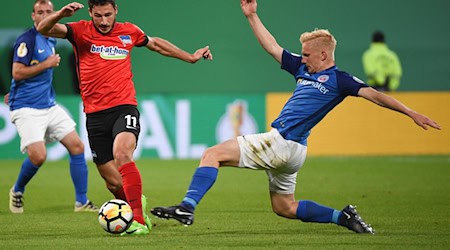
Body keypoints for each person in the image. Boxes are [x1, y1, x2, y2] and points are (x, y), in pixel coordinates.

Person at [150, 0, 440, 234]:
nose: (301, 59)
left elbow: (375, 95)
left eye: (307, 55)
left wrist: (410, 112)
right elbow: (272, 47)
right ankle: (343, 217)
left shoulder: (340, 80)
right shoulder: (304, 70)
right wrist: (252, 16)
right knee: (284, 207)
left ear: (324, 55)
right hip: (295, 151)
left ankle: (187, 207)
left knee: (212, 154)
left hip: (283, 142)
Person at [37, 0, 212, 236]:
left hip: (124, 107)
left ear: (116, 11)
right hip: (95, 114)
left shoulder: (129, 31)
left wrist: (190, 57)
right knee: (113, 182)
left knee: (122, 154)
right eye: (98, 16)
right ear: (90, 13)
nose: (104, 21)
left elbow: (156, 44)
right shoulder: (79, 30)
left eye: (108, 15)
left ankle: (138, 220)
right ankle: (135, 200)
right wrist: (59, 14)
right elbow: (43, 29)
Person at [7, 0, 98, 214]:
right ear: (33, 16)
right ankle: (17, 190)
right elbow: (17, 72)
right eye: (40, 12)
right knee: (38, 156)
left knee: (77, 146)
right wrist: (46, 65)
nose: (44, 15)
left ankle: (81, 202)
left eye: (48, 11)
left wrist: (13, 89)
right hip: (27, 108)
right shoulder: (27, 40)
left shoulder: (50, 39)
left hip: (49, 105)